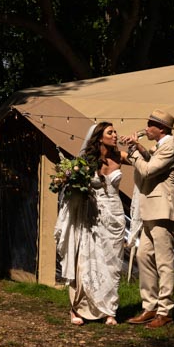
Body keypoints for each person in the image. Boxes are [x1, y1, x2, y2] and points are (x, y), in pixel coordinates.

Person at [53, 121, 128, 325]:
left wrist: (136, 146)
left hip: (114, 213)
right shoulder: (86, 161)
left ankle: (109, 310)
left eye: (115, 132)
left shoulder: (120, 157)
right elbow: (74, 186)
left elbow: (144, 162)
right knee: (86, 261)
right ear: (99, 137)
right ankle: (76, 308)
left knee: (112, 263)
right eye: (110, 132)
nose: (115, 135)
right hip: (91, 214)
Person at [121, 108, 174, 329]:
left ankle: (165, 311)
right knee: (144, 255)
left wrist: (133, 153)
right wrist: (137, 146)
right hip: (151, 210)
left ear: (162, 129)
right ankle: (150, 306)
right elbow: (151, 159)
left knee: (164, 262)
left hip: (163, 210)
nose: (146, 128)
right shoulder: (161, 146)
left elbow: (148, 170)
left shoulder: (170, 147)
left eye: (150, 125)